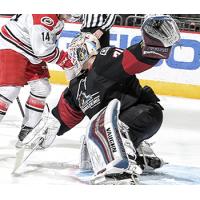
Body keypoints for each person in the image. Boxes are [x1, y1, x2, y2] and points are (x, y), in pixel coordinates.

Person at [30, 15, 180, 184]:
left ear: (82, 51)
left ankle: (122, 166)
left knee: (110, 127)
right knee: (93, 136)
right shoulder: (75, 88)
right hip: (125, 121)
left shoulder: (104, 60)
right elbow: (63, 117)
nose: (71, 59)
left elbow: (135, 58)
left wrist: (157, 41)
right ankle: (140, 156)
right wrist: (43, 131)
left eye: (74, 53)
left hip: (144, 113)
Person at [0, 14, 80, 147]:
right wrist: (65, 60)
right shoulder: (45, 16)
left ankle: (27, 132)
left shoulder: (57, 18)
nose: (70, 18)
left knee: (42, 88)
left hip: (30, 51)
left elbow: (43, 47)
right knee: (9, 90)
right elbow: (43, 51)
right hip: (12, 45)